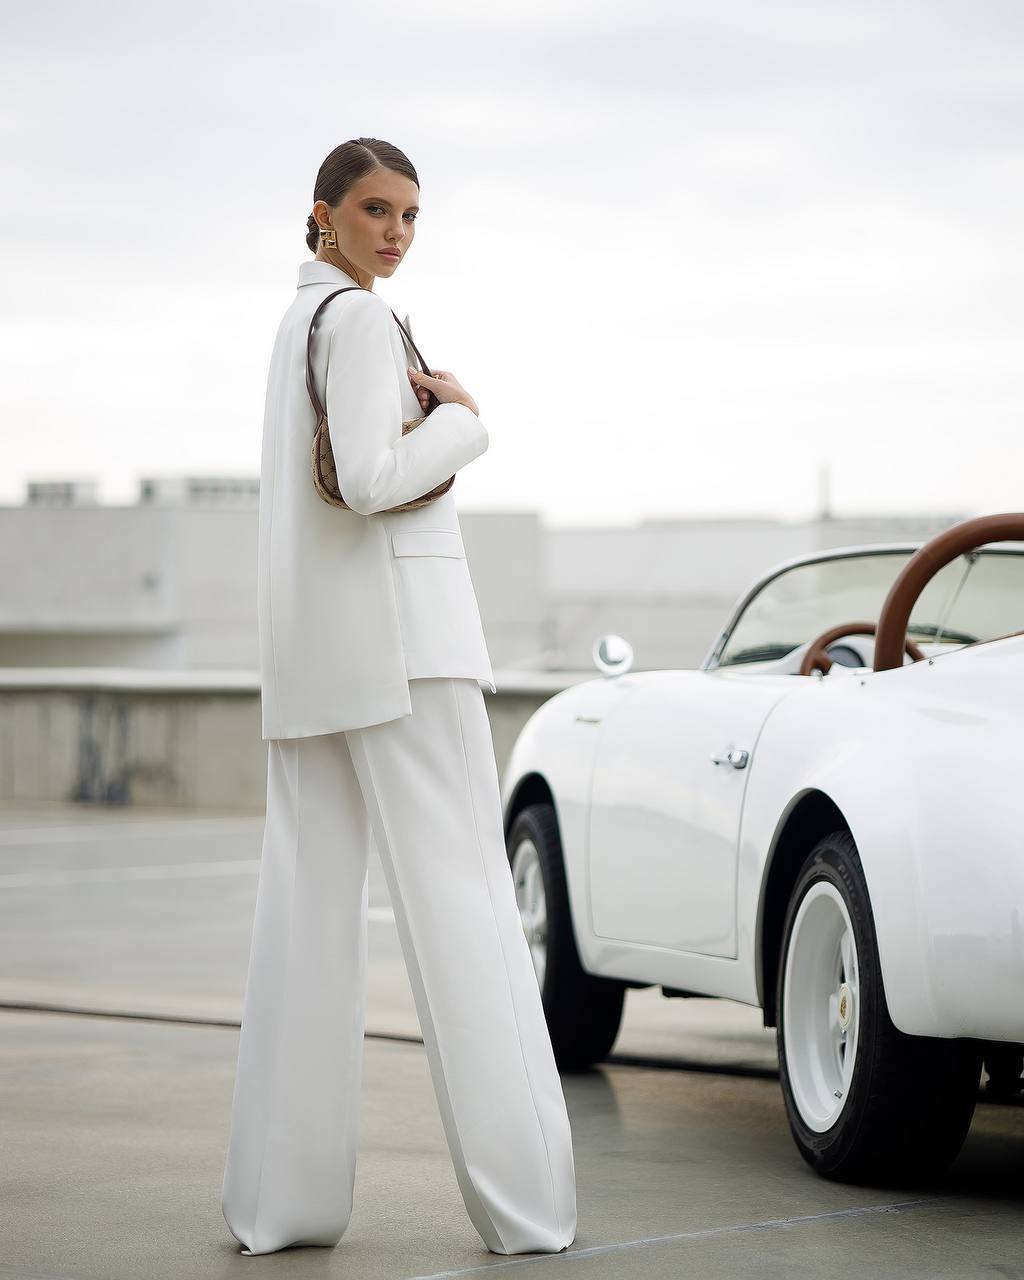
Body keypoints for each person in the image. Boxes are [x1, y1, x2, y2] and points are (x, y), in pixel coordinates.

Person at [219, 137, 577, 1258]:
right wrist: (467, 424)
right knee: (467, 906)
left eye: (411, 215)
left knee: (304, 926)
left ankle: (281, 1206)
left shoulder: (296, 327)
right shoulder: (363, 322)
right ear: (321, 214)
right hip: (406, 651)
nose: (396, 233)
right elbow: (375, 479)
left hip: (318, 660)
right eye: (376, 210)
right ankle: (531, 1209)